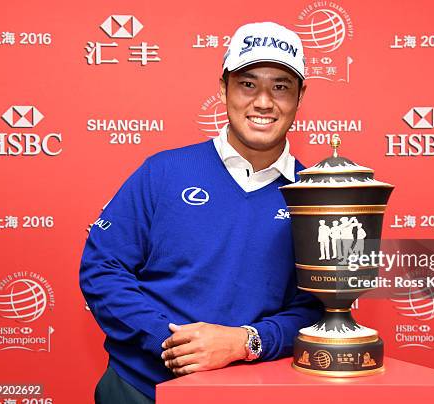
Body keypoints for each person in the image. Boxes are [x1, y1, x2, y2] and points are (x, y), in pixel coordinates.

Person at [79, 21, 323, 403]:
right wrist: (173, 341)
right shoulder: (162, 172)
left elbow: (317, 308)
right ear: (223, 87)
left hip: (255, 393)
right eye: (248, 84)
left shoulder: (316, 196)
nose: (263, 101)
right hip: (141, 388)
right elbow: (103, 270)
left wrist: (244, 342)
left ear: (300, 96)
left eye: (280, 86)